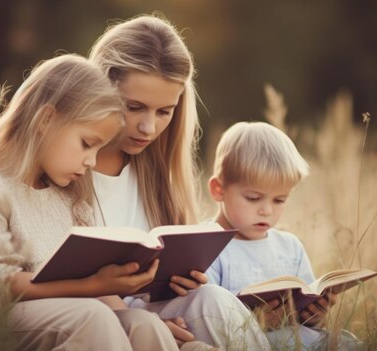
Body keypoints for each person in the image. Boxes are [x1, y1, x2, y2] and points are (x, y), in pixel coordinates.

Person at [0, 54, 181, 350]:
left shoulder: (70, 197)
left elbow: (94, 291)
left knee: (143, 324)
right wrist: (91, 286)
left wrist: (117, 294)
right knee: (92, 317)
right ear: (46, 119)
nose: (92, 162)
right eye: (87, 144)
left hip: (67, 313)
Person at [88, 14, 271, 350]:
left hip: (150, 311)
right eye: (135, 107)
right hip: (92, 316)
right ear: (99, 90)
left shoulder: (156, 174)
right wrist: (148, 323)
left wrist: (184, 281)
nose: (149, 128)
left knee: (212, 299)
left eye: (164, 111)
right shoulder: (68, 167)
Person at [205, 121, 364, 350]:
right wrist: (255, 324)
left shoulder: (290, 247)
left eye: (279, 200)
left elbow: (308, 320)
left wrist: (315, 314)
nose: (266, 210)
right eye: (252, 198)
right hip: (252, 345)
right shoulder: (207, 246)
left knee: (349, 344)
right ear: (218, 190)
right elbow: (206, 322)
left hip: (297, 338)